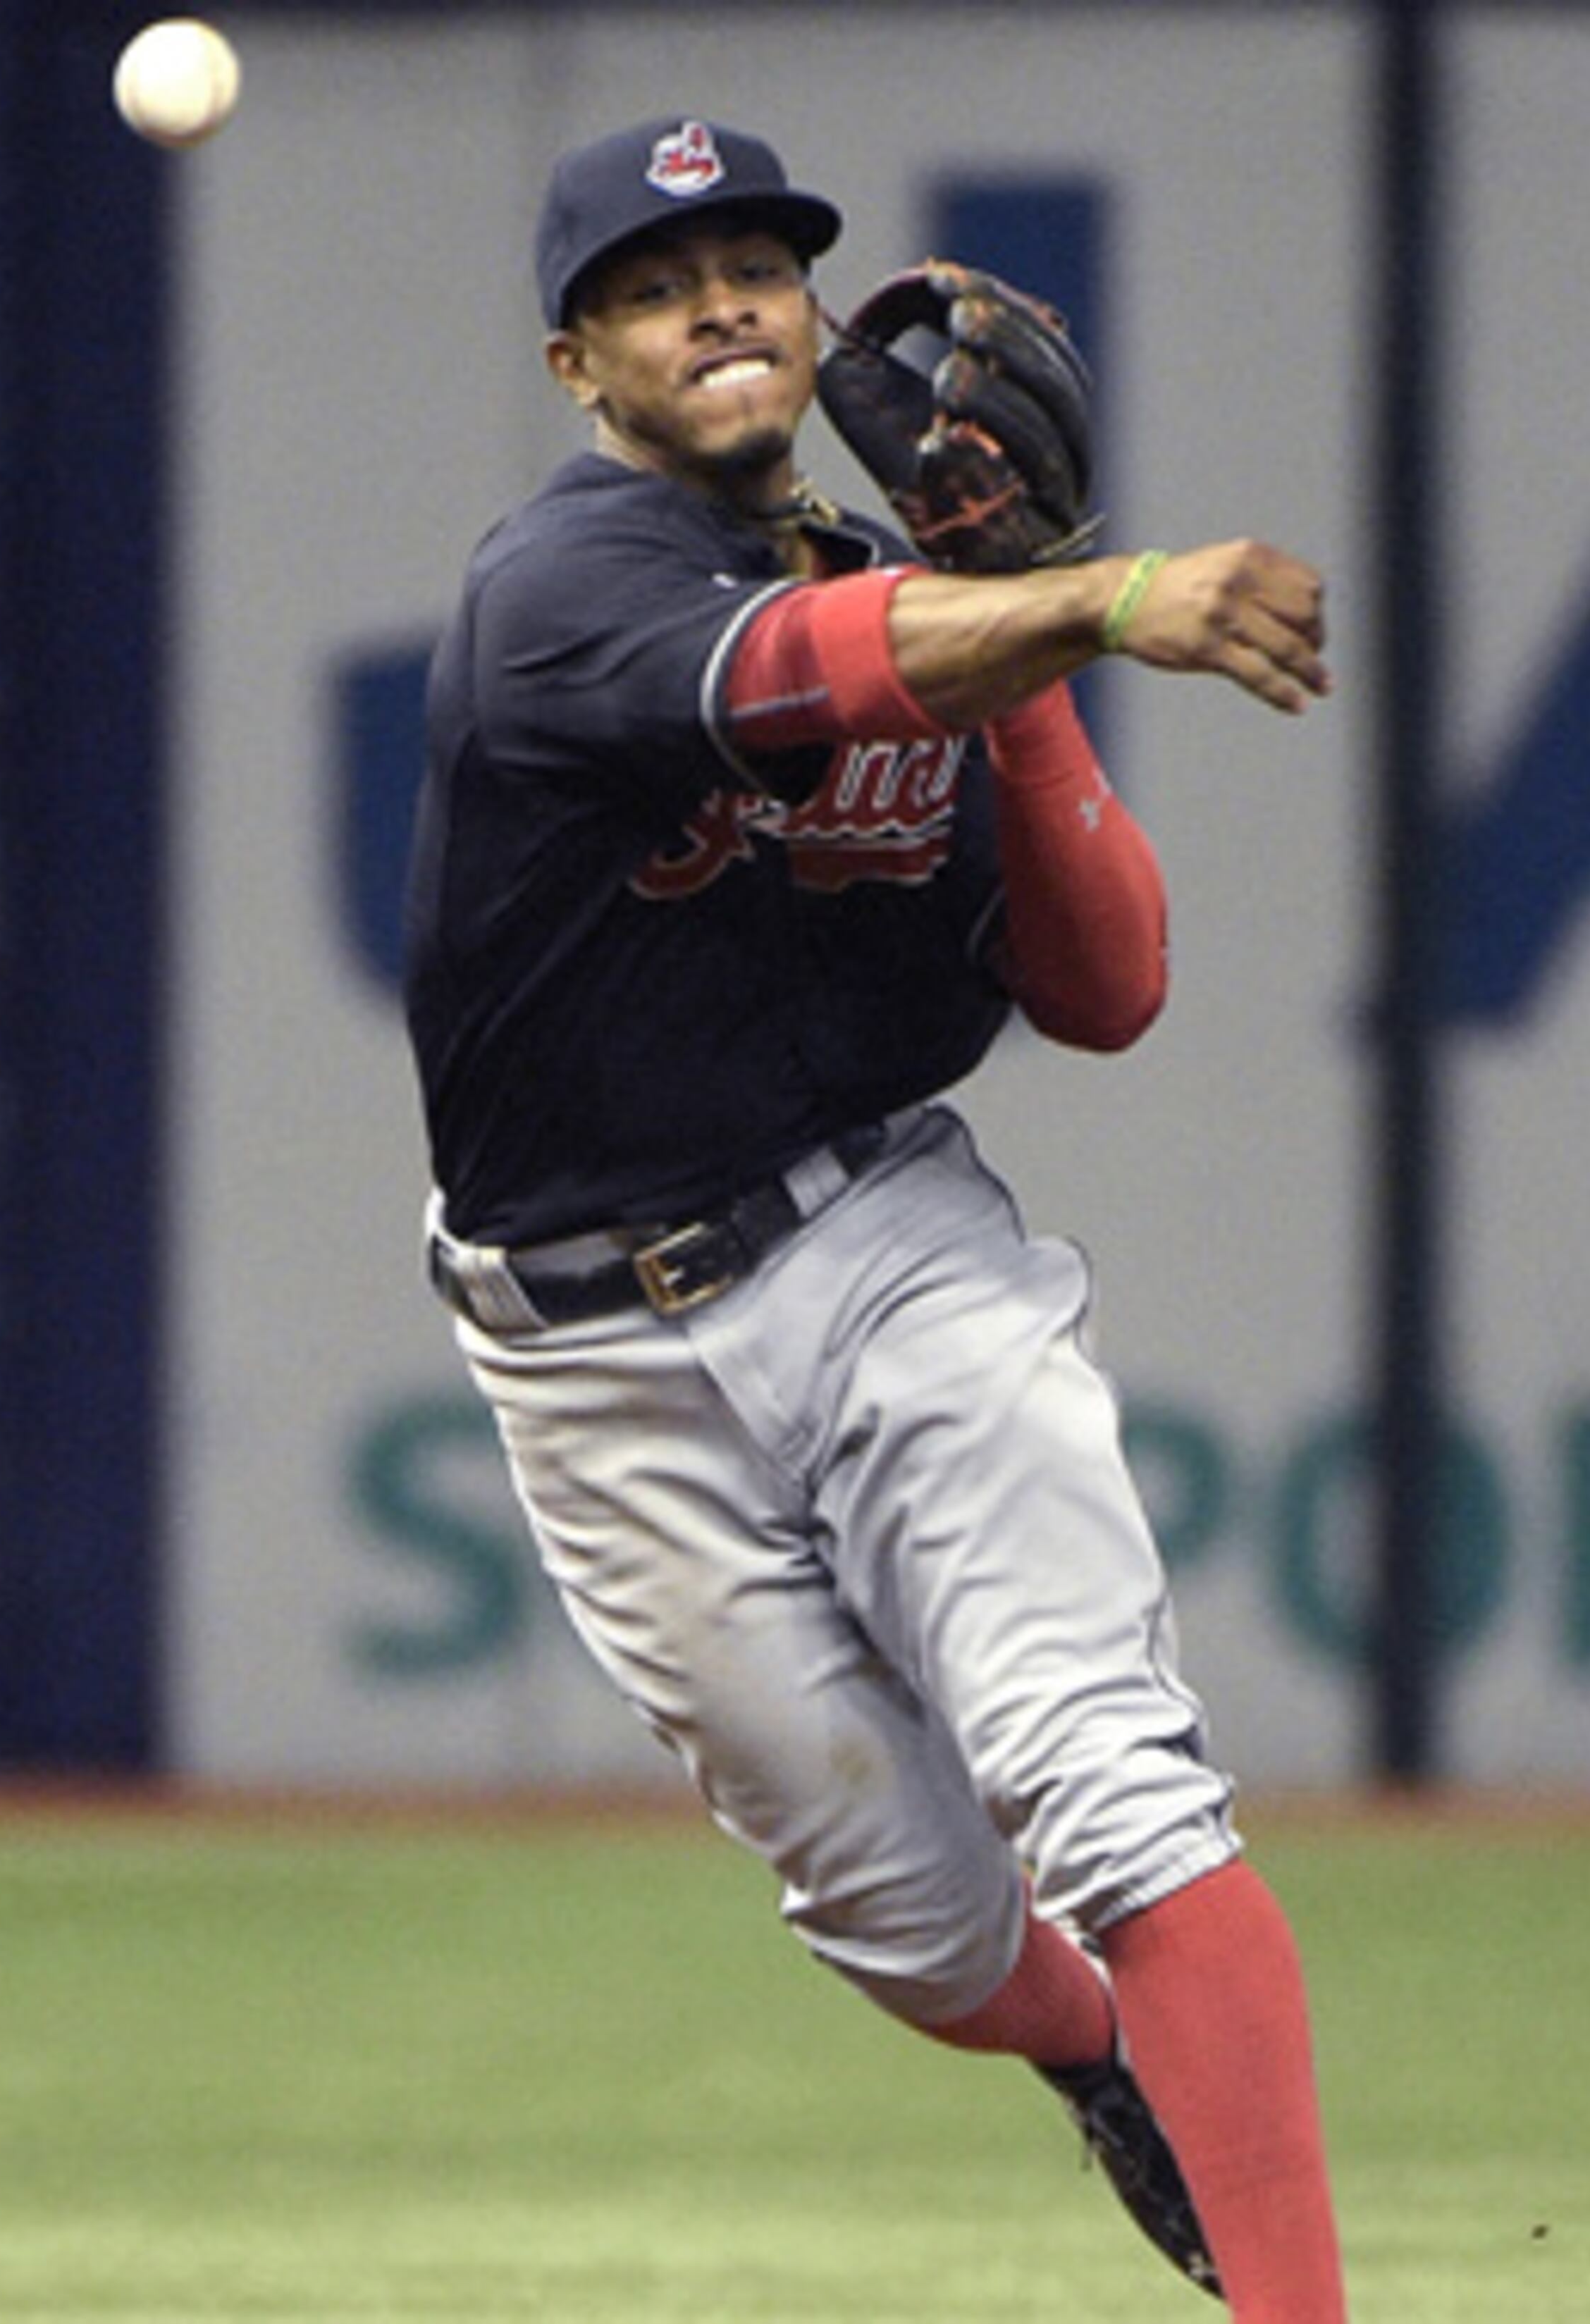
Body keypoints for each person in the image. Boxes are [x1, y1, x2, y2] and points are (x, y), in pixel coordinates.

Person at [405, 115, 1345, 2322]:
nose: (721, 300)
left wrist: (1042, 666)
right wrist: (1097, 594)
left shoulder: (933, 604)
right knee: (918, 1926)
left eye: (757, 263)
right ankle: (1110, 2055)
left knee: (1113, 1791)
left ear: (817, 318)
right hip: (588, 1350)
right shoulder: (557, 589)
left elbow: (1103, 992)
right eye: (656, 284)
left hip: (889, 1250)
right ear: (582, 368)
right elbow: (787, 679)